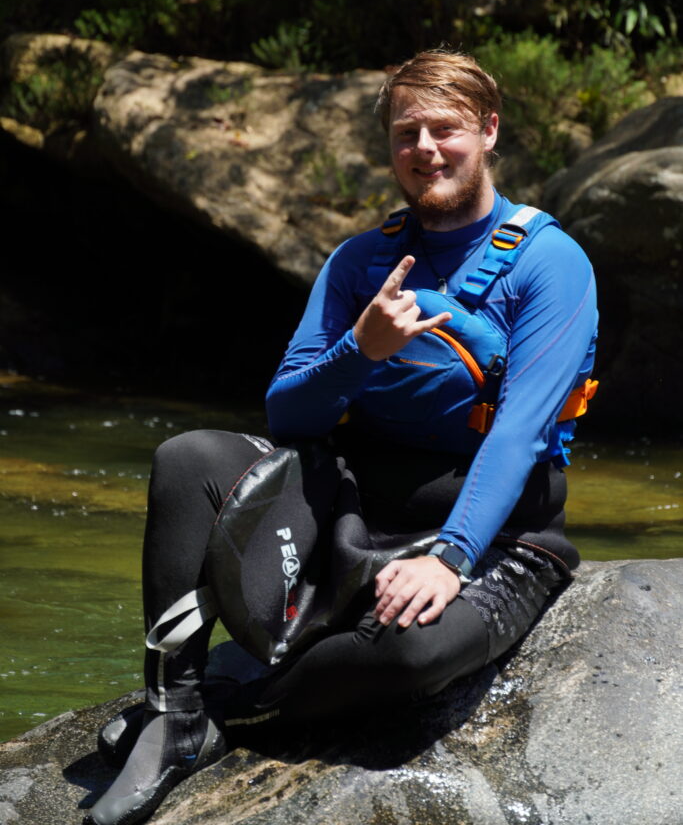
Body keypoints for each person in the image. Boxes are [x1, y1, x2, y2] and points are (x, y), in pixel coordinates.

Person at [85, 49, 598, 825]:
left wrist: (449, 559)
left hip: (496, 535)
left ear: (488, 131)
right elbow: (289, 418)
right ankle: (177, 709)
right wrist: (361, 349)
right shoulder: (361, 261)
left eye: (445, 129)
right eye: (405, 132)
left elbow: (521, 432)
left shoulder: (549, 263)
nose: (424, 148)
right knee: (187, 458)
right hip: (349, 512)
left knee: (408, 652)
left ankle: (238, 706)